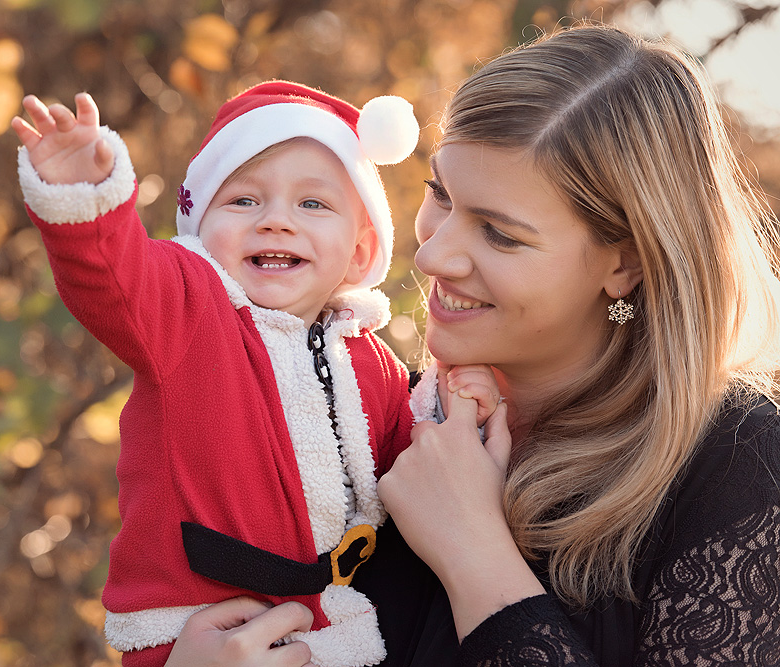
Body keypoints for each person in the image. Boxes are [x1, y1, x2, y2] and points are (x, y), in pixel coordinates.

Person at [160, 23, 780, 667]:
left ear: (623, 264)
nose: (432, 253)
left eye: (500, 235)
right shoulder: (363, 420)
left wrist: (472, 552)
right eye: (441, 196)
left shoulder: (739, 468)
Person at [11, 81, 500, 667]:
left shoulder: (370, 362)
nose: (276, 222)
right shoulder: (190, 312)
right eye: (243, 201)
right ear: (199, 229)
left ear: (361, 251)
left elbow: (408, 461)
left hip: (321, 626)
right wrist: (86, 202)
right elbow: (115, 280)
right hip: (191, 629)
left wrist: (455, 408)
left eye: (313, 204)